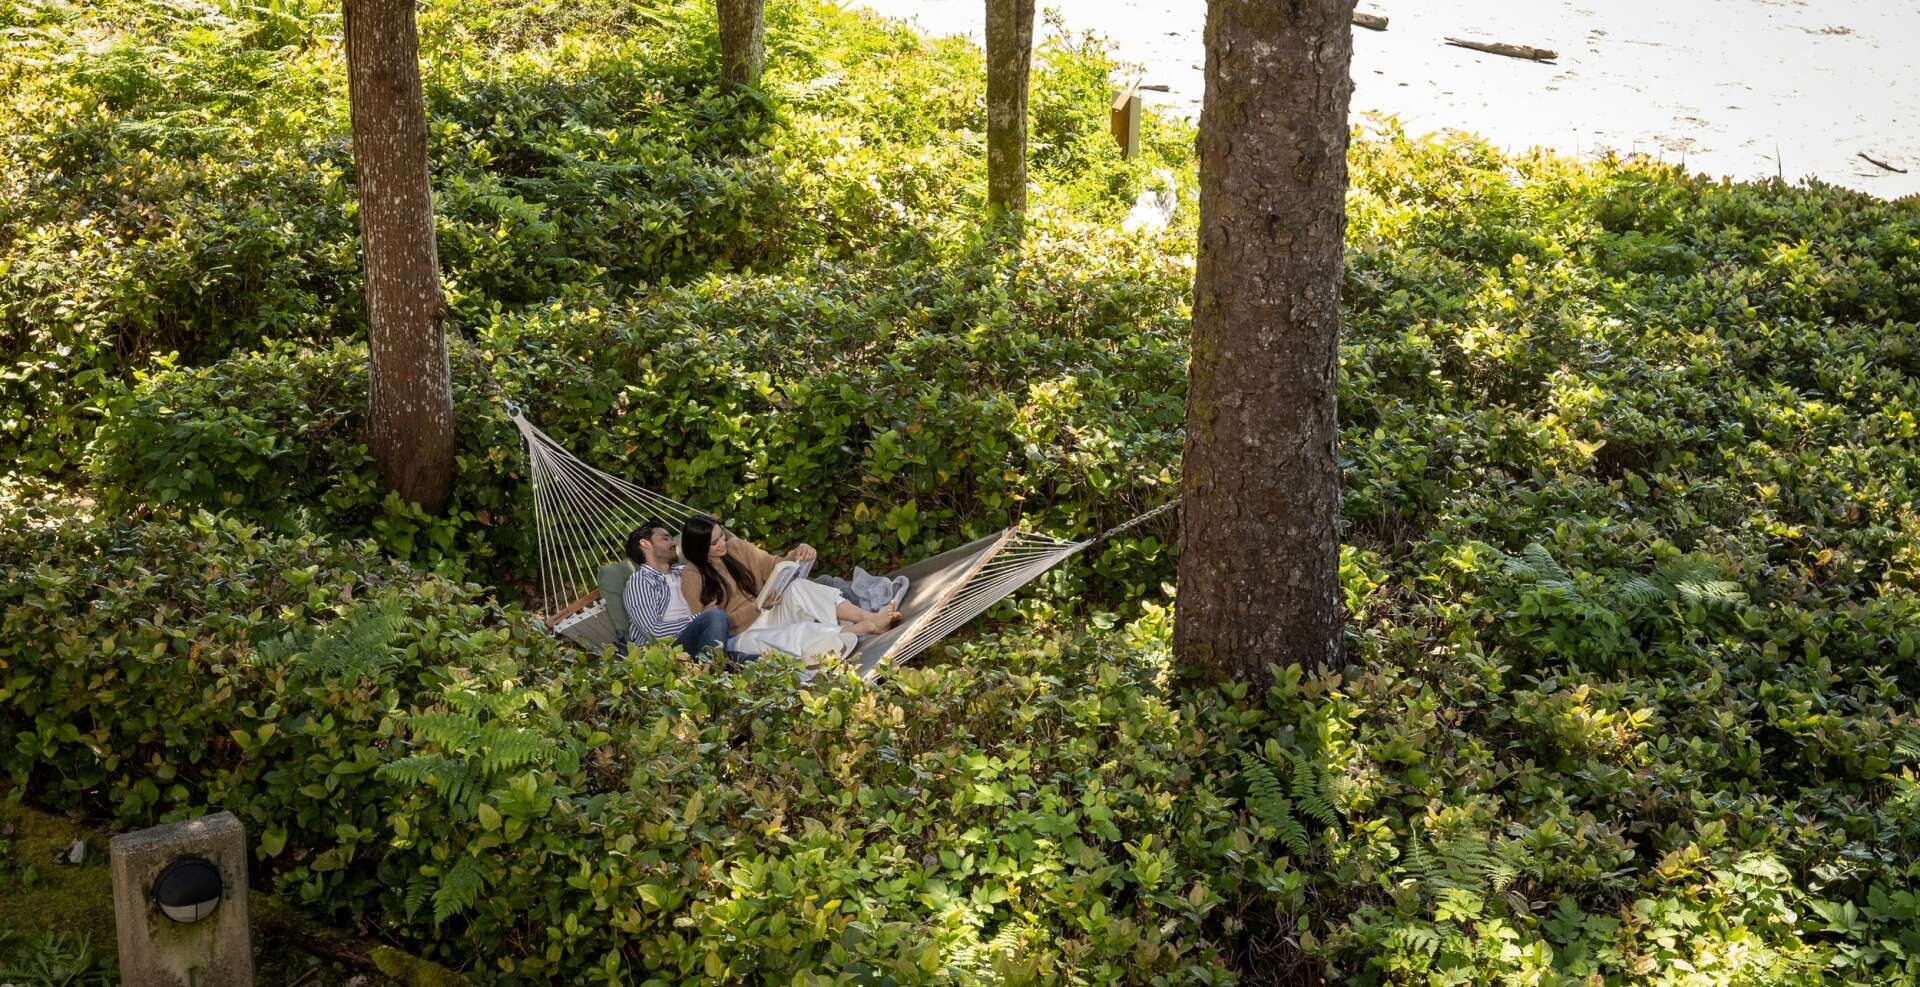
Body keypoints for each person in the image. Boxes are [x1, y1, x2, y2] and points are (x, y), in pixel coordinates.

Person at [677, 515, 900, 660]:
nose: (723, 543)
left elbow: (773, 565)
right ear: (699, 549)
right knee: (789, 635)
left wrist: (797, 554)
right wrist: (756, 606)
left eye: (721, 537)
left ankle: (866, 616)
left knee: (798, 587)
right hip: (741, 635)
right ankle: (853, 631)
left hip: (766, 612)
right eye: (714, 543)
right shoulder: (692, 577)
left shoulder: (736, 547)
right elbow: (714, 629)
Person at [621, 520, 732, 658]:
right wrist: (701, 616)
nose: (674, 543)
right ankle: (709, 673)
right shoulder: (640, 581)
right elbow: (653, 632)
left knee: (753, 658)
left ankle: (716, 667)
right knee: (715, 616)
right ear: (645, 544)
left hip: (705, 638)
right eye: (665, 538)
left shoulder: (686, 572)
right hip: (667, 651)